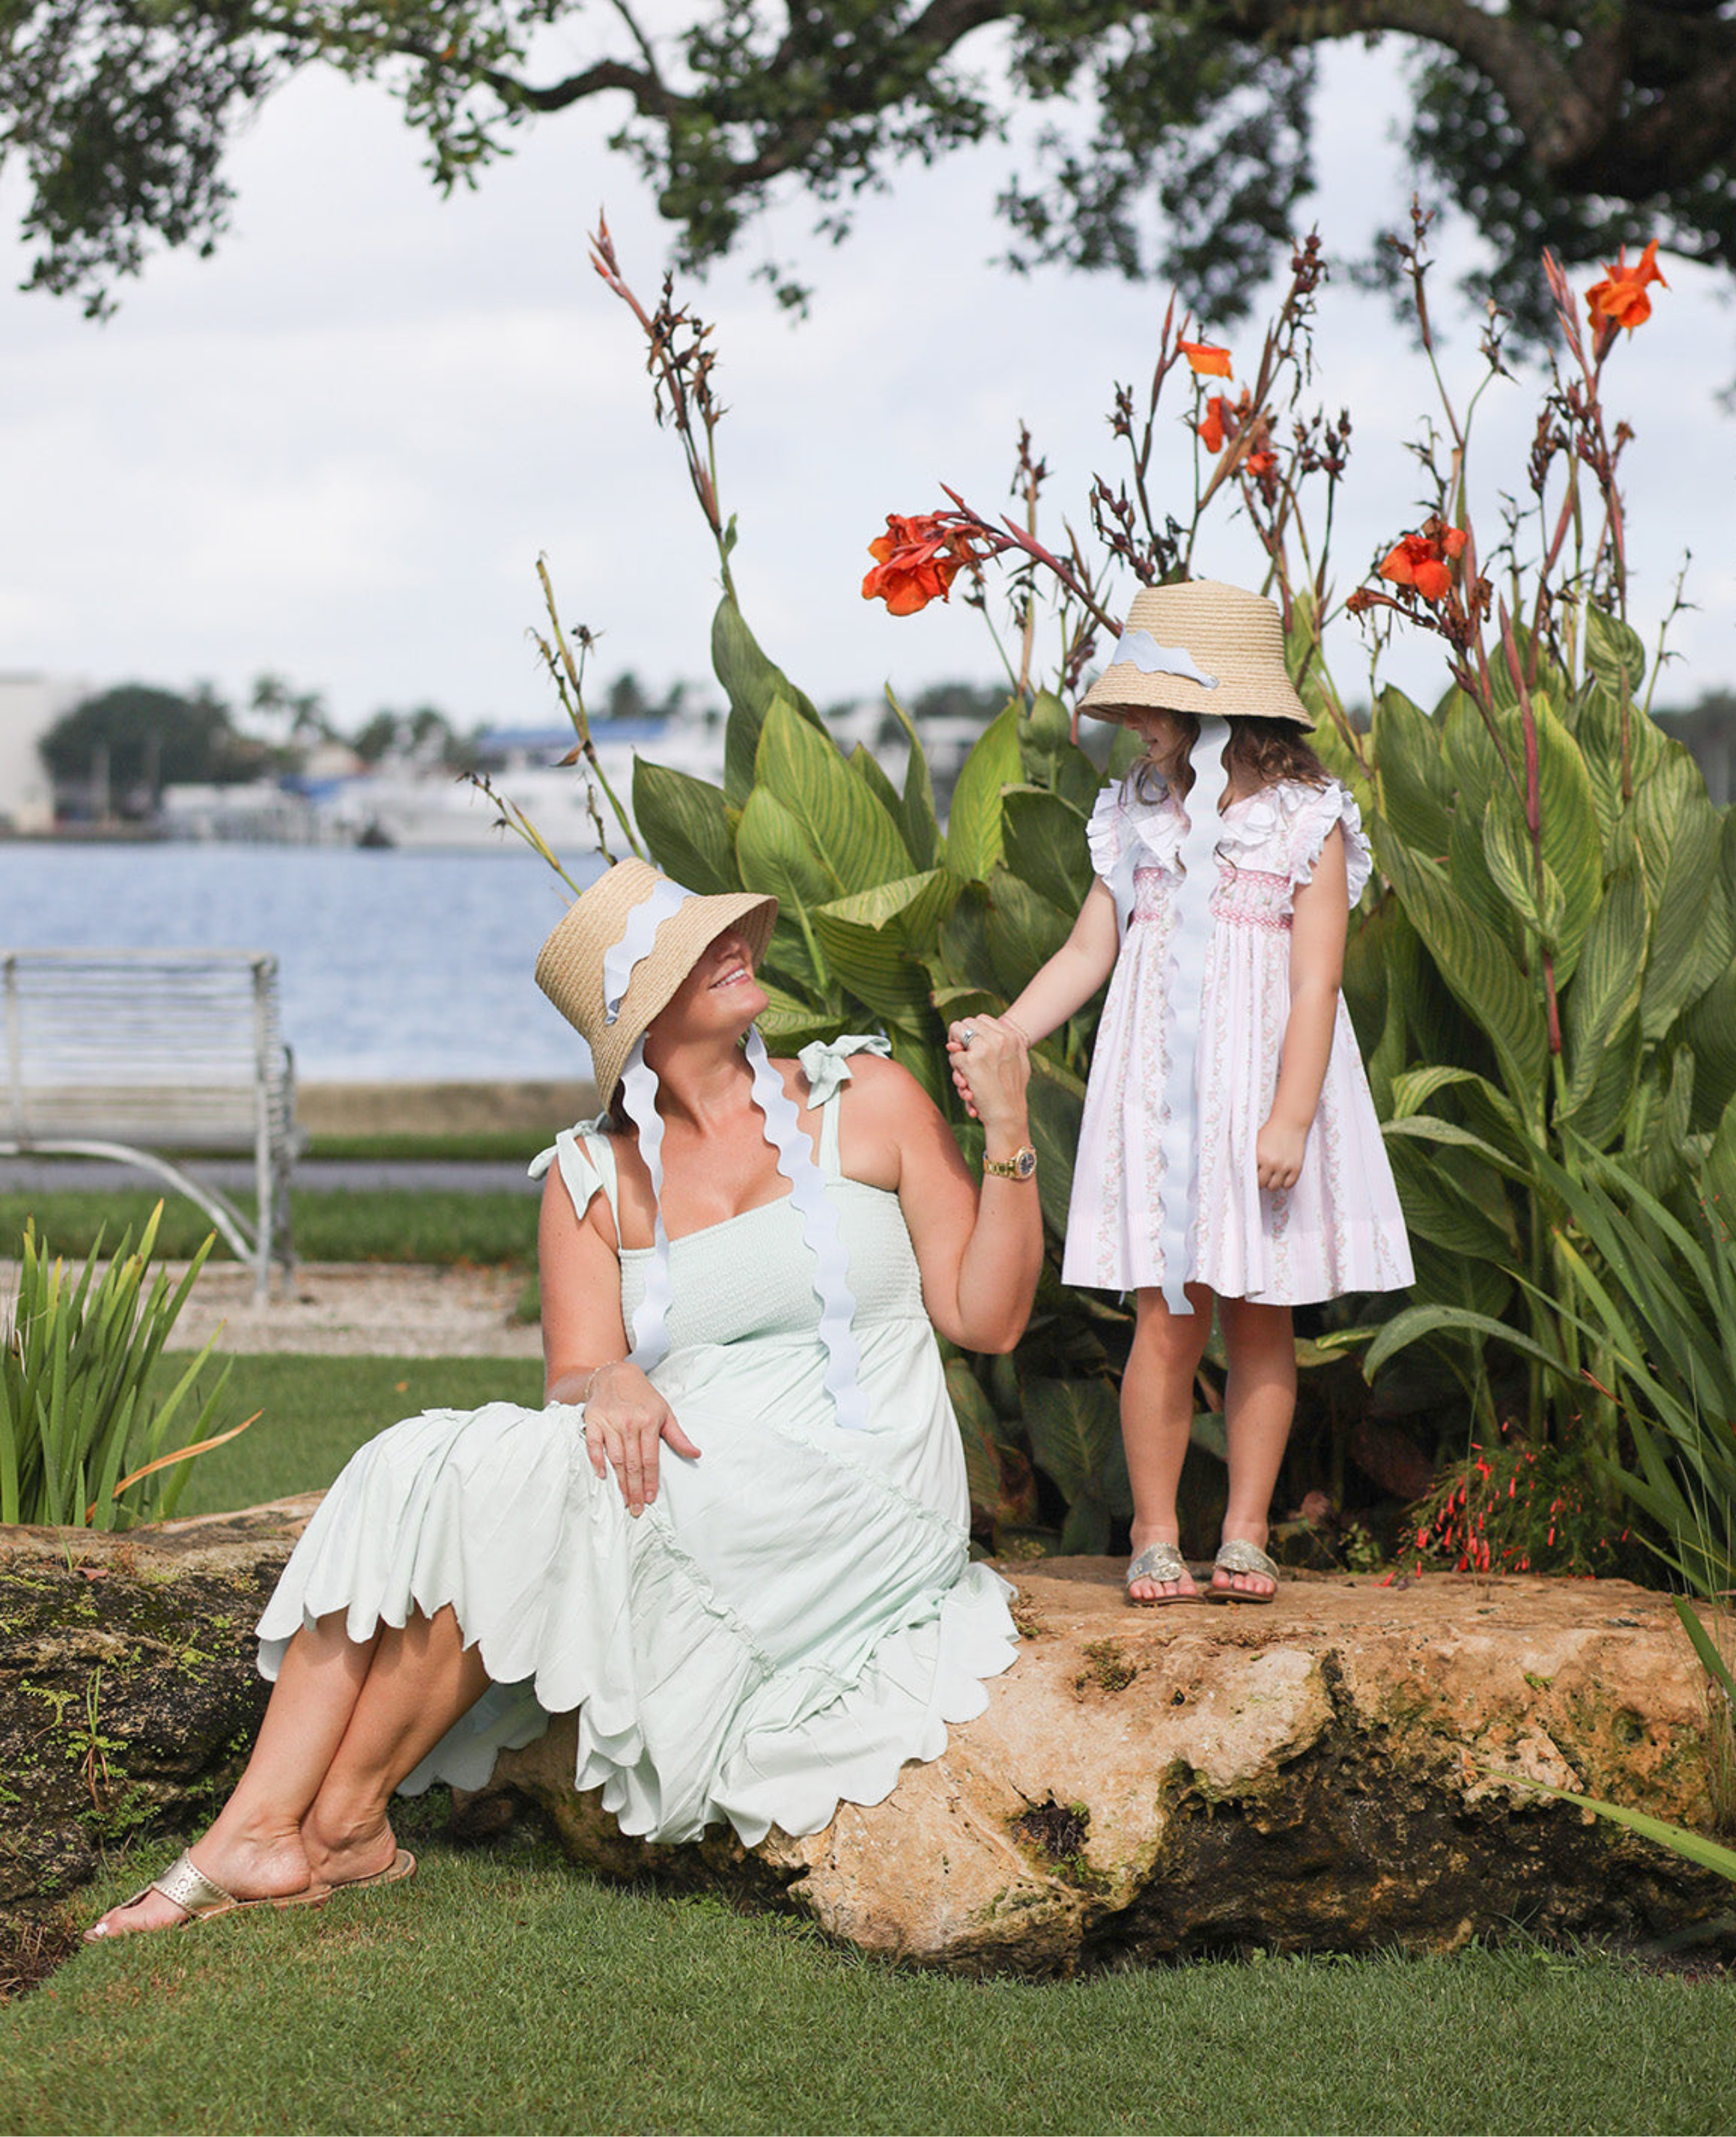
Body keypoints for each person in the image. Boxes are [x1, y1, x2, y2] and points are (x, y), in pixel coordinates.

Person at [87, 858, 1044, 1938]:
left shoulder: (864, 1101)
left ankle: (292, 1830)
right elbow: (576, 1379)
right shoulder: (593, 1176)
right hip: (688, 1463)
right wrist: (617, 1376)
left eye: (726, 933)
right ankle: (313, 1830)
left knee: (521, 1496)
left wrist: (1008, 1133)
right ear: (643, 1015)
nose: (738, 947)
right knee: (420, 1464)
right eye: (695, 951)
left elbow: (987, 1318)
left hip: (862, 1484)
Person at [951, 580, 1412, 1608]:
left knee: (1258, 1319)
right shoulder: (1137, 814)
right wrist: (1012, 1034)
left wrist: (1291, 1113)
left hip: (1260, 1100)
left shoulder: (1307, 821)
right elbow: (1089, 946)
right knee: (1165, 1317)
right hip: (1164, 1098)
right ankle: (1155, 1533)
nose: (1140, 729)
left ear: (1227, 709)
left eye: (1158, 705)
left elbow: (1316, 980)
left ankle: (1247, 1530)